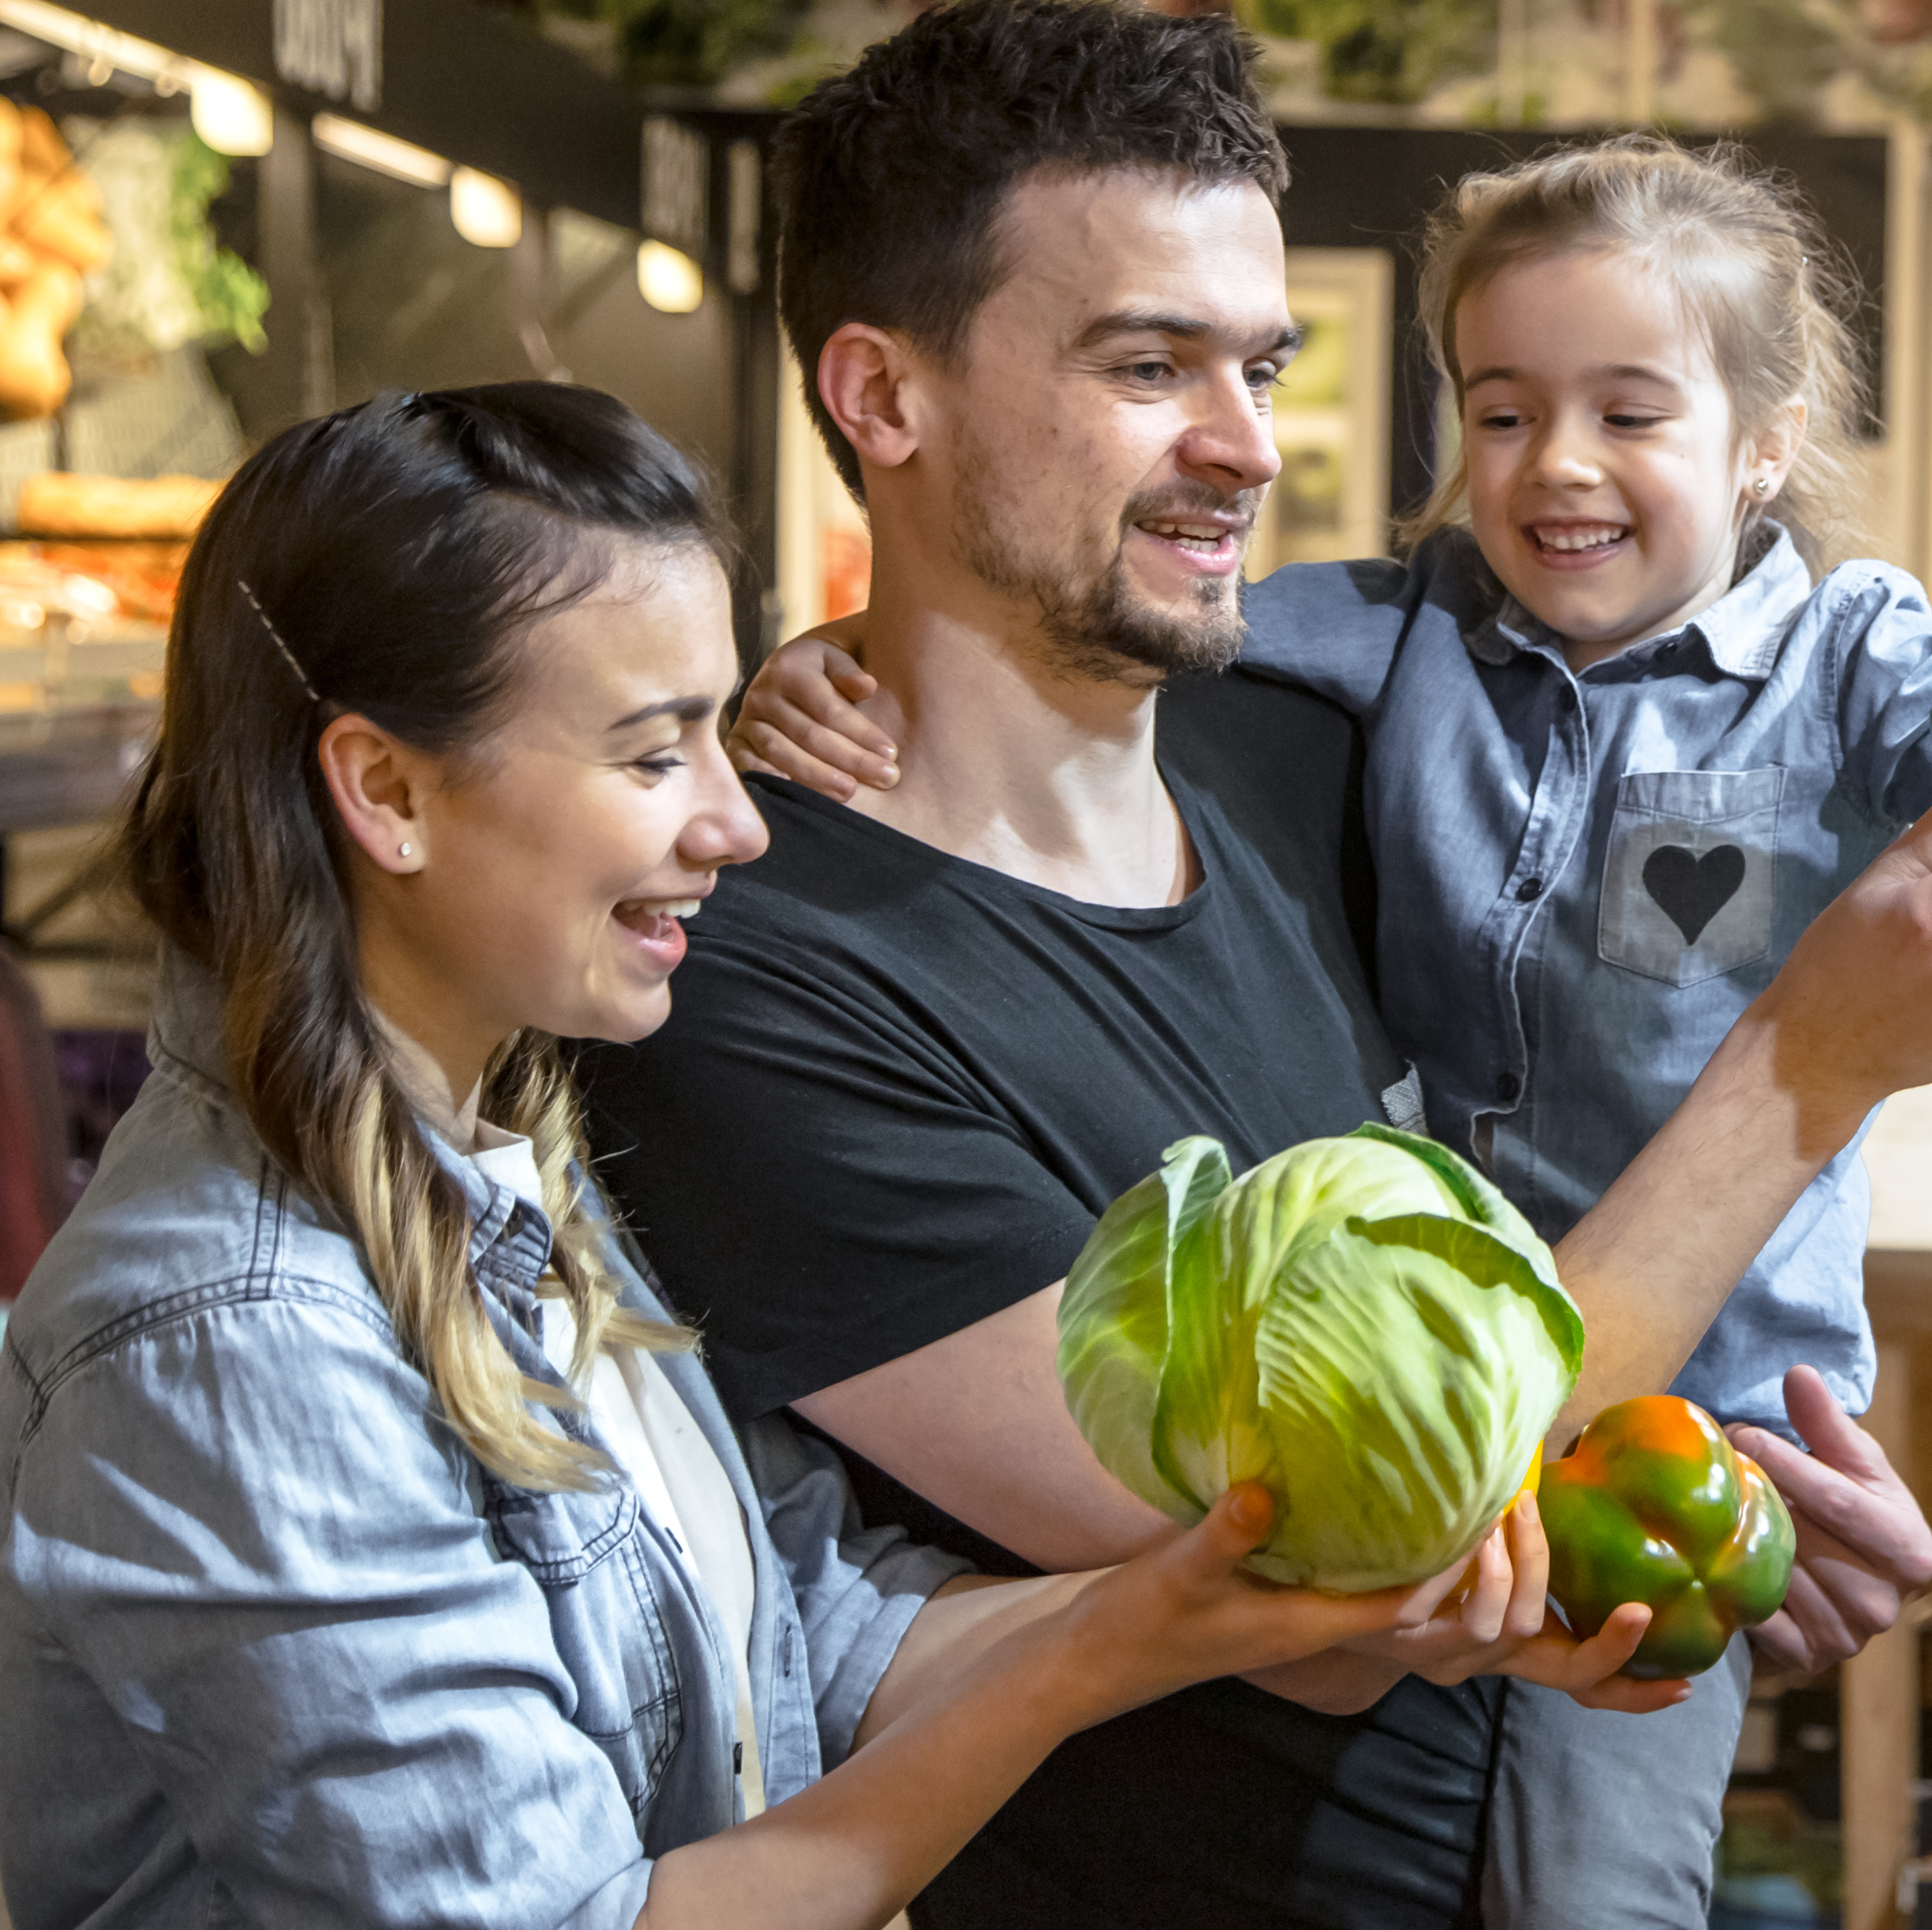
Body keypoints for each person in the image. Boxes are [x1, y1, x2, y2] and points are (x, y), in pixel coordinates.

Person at [581, 0, 1932, 1930]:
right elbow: (1303, 1577)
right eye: (1149, 366)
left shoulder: (1310, 748)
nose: (1241, 445)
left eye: (1260, 365)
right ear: (882, 399)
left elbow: (1522, 1282)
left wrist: (1705, 1517)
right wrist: (1810, 1061)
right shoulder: (759, 980)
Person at [0, 383, 1536, 1930]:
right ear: (387, 790)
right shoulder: (234, 1339)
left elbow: (818, 1627)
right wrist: (1106, 1646)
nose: (741, 823)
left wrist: (1214, 1607)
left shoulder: (517, 1141)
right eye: (655, 754)